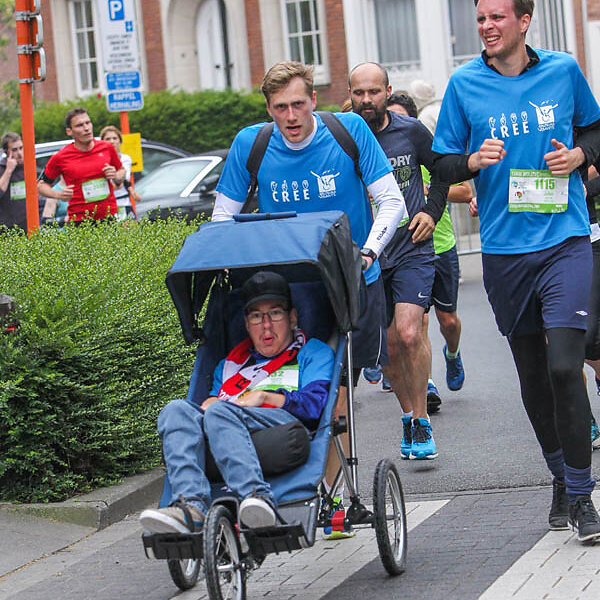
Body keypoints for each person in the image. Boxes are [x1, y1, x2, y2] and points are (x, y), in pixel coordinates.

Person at [212, 61, 408, 531]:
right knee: (301, 386)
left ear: (314, 100)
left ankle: (331, 494)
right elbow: (222, 219)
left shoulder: (348, 131)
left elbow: (392, 202)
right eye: (280, 107)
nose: (291, 115)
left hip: (350, 283)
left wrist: (368, 251)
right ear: (268, 109)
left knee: (337, 389)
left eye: (298, 104)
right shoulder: (252, 144)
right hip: (293, 291)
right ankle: (305, 490)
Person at [432, 0, 600, 542]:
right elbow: (441, 162)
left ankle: (583, 495)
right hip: (505, 254)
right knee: (532, 375)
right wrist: (471, 162)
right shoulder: (464, 85)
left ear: (524, 22)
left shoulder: (563, 70)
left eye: (497, 17)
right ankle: (560, 477)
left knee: (564, 366)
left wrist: (578, 157)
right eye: (481, 18)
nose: (486, 26)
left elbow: (596, 132)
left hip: (565, 241)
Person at [140, 271, 334, 533]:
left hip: (282, 427)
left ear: (292, 318)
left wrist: (264, 397)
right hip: (227, 427)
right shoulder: (230, 364)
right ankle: (191, 506)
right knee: (175, 410)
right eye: (256, 316)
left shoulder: (313, 352)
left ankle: (257, 496)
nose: (266, 325)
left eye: (275, 313)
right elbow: (213, 405)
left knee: (220, 411)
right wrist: (210, 402)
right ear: (246, 324)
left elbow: (315, 405)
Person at [349, 62, 449, 460]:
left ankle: (422, 418)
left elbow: (442, 171)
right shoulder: (343, 138)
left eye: (374, 92)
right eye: (359, 93)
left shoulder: (410, 131)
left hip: (411, 246)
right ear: (350, 94)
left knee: (409, 333)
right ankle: (407, 415)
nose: (367, 100)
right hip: (368, 255)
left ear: (387, 92)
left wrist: (431, 211)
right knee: (388, 343)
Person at [388, 91, 471, 404]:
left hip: (441, 245)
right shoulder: (386, 158)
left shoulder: (428, 152)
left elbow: (464, 191)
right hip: (410, 250)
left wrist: (426, 191)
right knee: (415, 323)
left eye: (401, 118)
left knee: (447, 321)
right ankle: (428, 384)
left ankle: (453, 353)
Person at [37, 108, 125, 223]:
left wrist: (116, 176)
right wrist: (59, 194)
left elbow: (121, 171)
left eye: (88, 123)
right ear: (69, 131)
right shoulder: (61, 157)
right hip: (80, 220)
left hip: (109, 216)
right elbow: (41, 186)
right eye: (80, 125)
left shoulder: (107, 148)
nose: (86, 128)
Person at [99, 125, 134, 220]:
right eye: (108, 139)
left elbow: (121, 183)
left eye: (115, 138)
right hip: (105, 206)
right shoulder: (99, 159)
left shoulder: (125, 159)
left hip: (123, 203)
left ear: (120, 141)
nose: (112, 141)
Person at [0, 133, 26, 231]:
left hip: (26, 224)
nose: (19, 153)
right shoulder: (2, 169)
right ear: (6, 152)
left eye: (21, 148)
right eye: (14, 150)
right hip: (7, 227)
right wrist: (9, 170)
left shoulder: (28, 167)